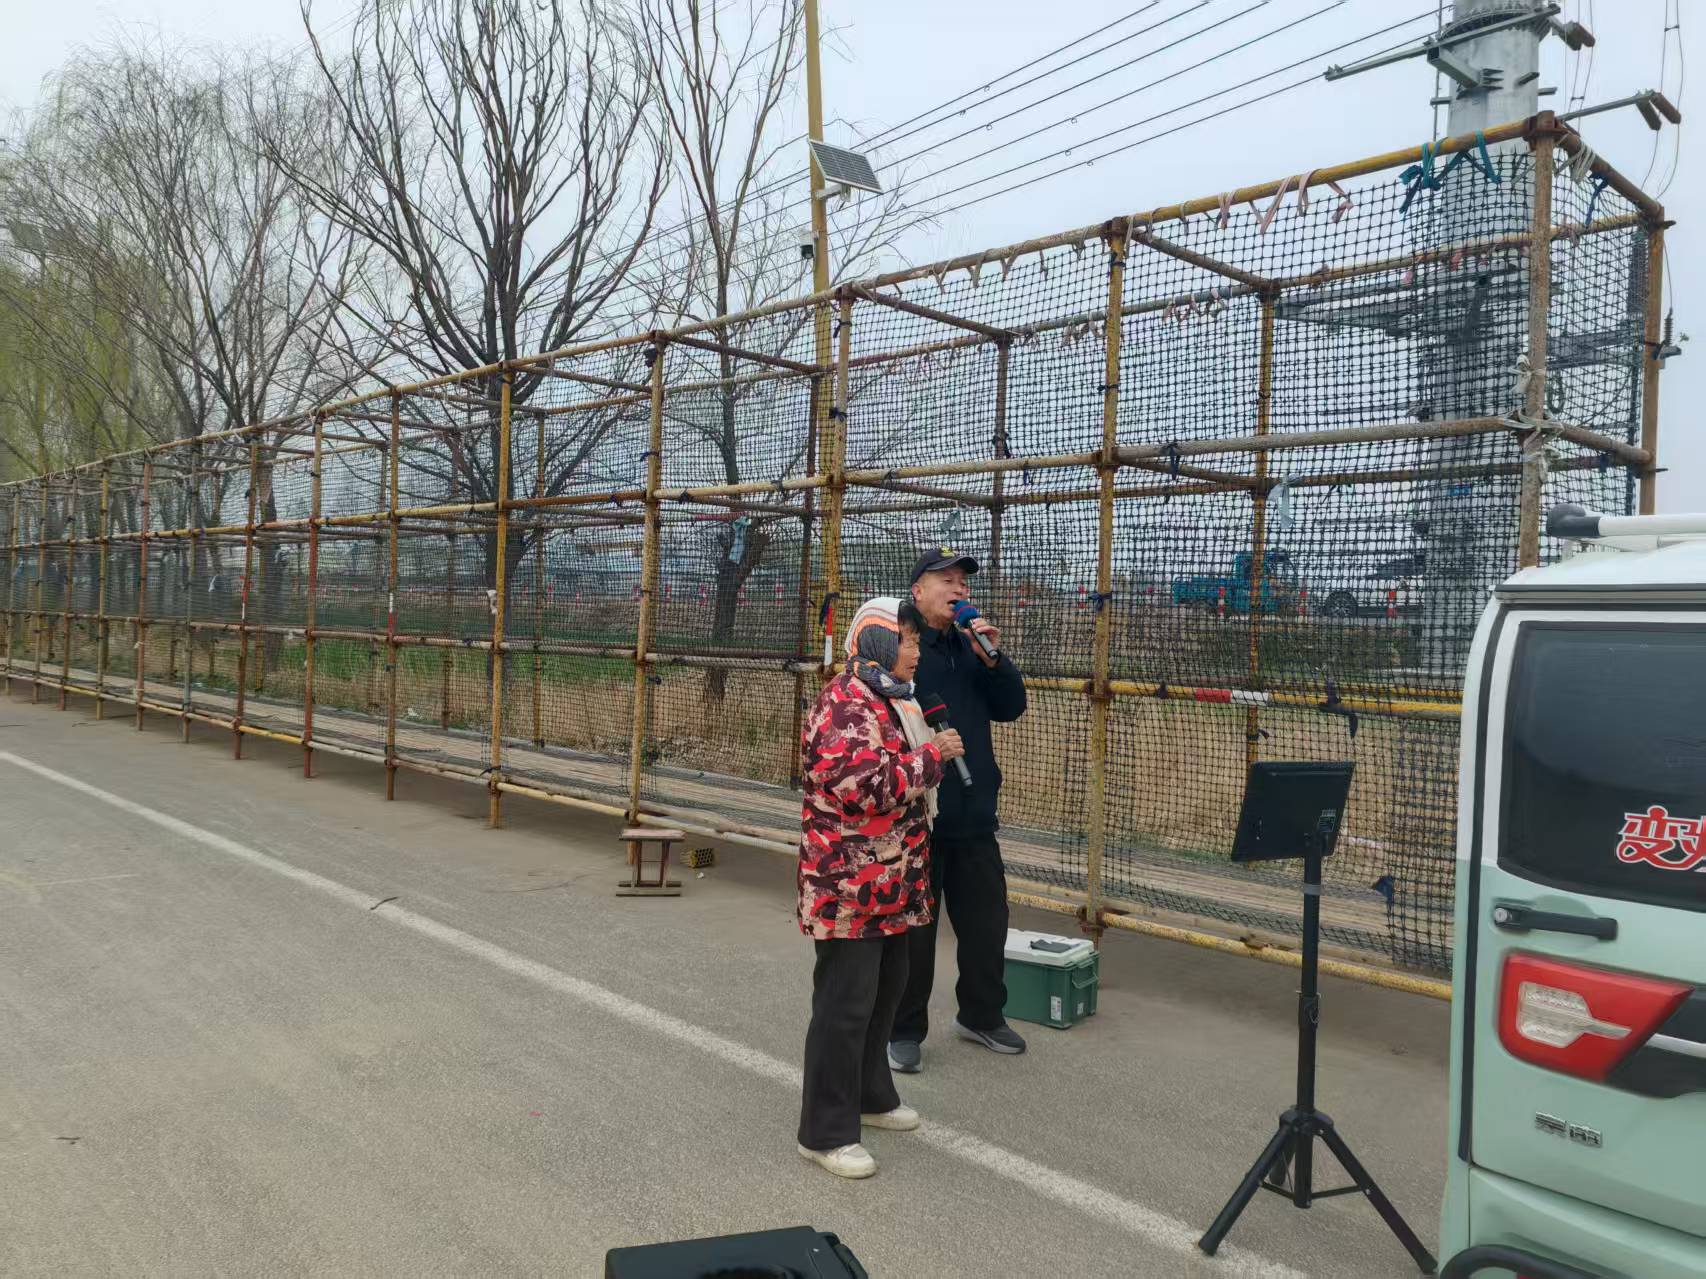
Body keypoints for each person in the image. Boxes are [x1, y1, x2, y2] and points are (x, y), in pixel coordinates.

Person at [795, 596, 965, 1180]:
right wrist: (933, 756)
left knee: (884, 994)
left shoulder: (893, 699)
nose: (915, 651)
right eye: (906, 641)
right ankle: (824, 1132)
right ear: (876, 643)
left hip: (892, 883)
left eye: (915, 641)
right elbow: (865, 788)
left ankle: (871, 1096)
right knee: (844, 1007)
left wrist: (926, 753)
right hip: (848, 886)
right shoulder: (845, 702)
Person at [890, 548, 1029, 1073]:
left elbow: (1012, 707)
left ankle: (982, 1016)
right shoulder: (901, 647)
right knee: (916, 933)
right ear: (917, 590)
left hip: (974, 813)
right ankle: (903, 1030)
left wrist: (993, 658)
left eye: (963, 583)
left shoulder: (972, 646)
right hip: (918, 815)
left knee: (987, 925)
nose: (959, 589)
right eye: (946, 580)